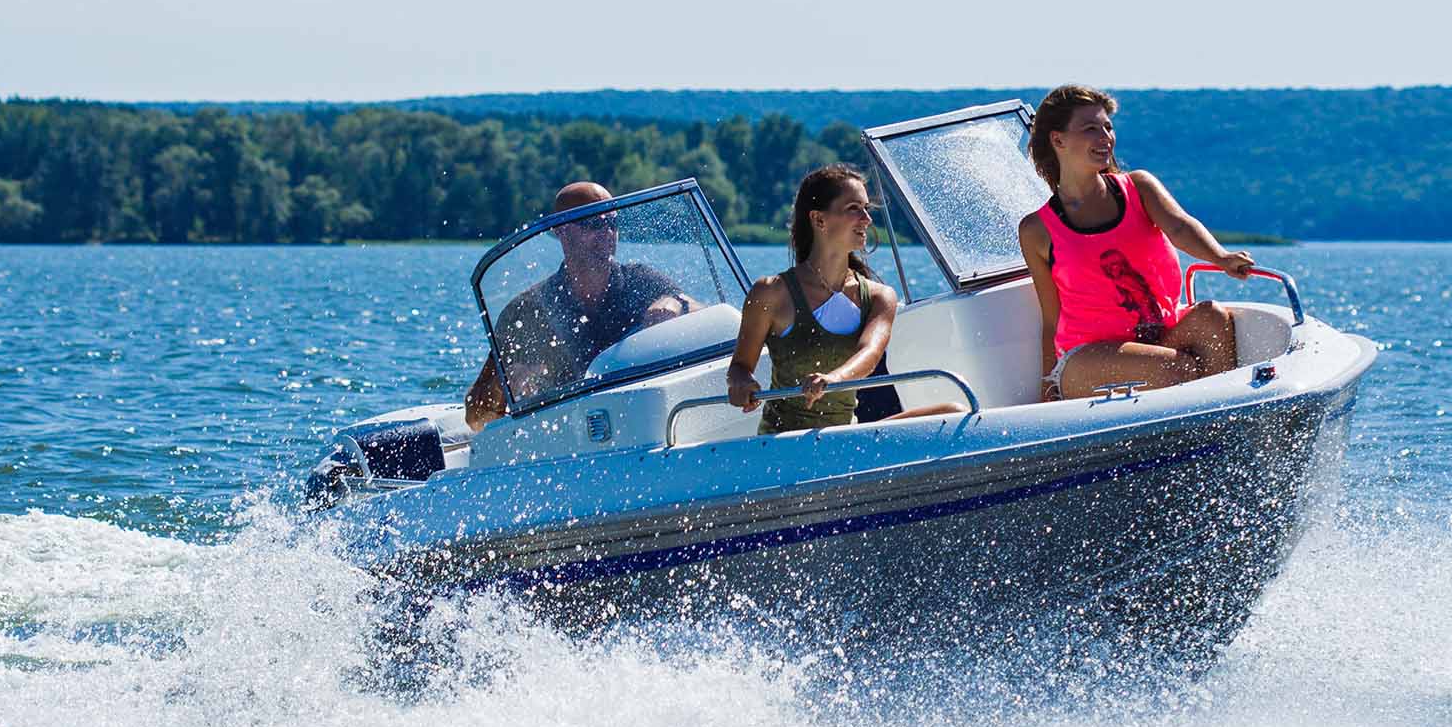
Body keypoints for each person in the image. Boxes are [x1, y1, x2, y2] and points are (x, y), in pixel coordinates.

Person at [1017, 85, 1256, 401]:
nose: (1106, 137)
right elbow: (1052, 317)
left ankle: (1227, 422)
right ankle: (1203, 431)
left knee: (1212, 318)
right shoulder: (1036, 229)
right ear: (1058, 140)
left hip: (1157, 339)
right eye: (1091, 129)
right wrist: (1047, 390)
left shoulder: (1139, 187)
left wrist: (1221, 257)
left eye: (1108, 127)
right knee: (1177, 370)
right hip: (1088, 359)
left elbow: (1180, 227)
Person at [727, 164, 964, 433]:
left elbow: (870, 353)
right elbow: (740, 366)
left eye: (866, 208)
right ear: (818, 220)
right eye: (854, 208)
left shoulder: (879, 297)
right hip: (784, 443)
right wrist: (740, 383)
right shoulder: (770, 292)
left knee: (955, 414)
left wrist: (833, 378)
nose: (867, 218)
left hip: (844, 438)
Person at [465, 181, 691, 429]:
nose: (606, 232)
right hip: (569, 436)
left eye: (612, 223)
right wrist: (506, 381)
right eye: (593, 223)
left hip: (642, 422)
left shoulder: (641, 281)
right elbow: (476, 418)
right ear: (561, 230)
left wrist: (675, 302)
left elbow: (706, 312)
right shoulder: (527, 309)